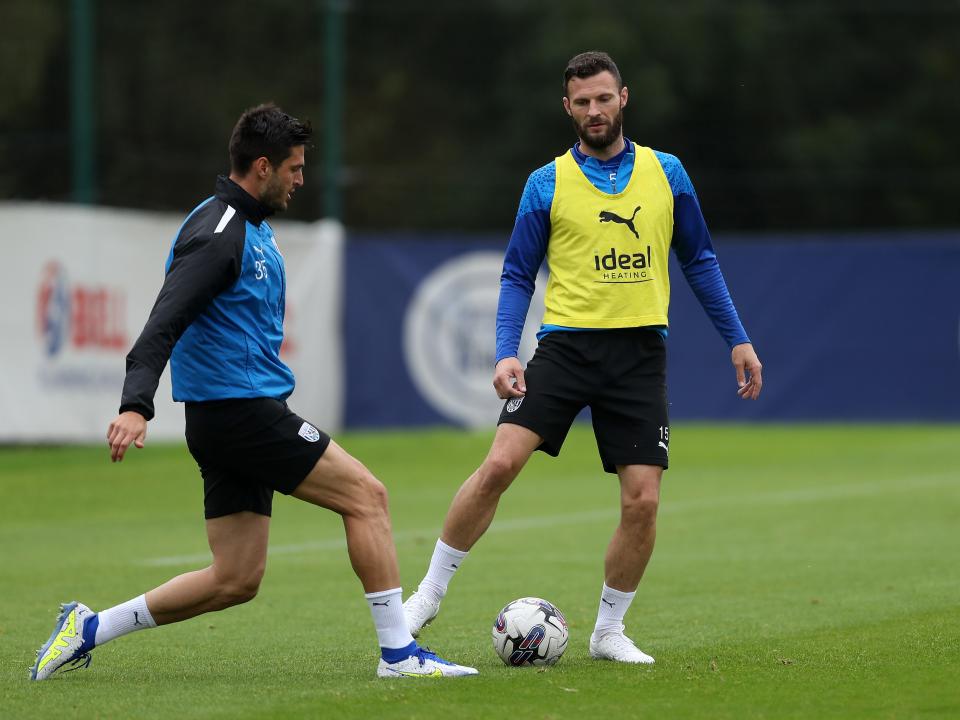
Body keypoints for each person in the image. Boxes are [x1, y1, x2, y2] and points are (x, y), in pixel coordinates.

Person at [31, 104, 477, 681]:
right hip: (239, 414)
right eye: (293, 168)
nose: (300, 178)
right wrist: (135, 404)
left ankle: (90, 628)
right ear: (261, 167)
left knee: (236, 578)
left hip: (226, 419)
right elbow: (162, 322)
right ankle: (399, 653)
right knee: (367, 496)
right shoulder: (218, 234)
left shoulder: (249, 228)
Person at [403, 52, 763, 664]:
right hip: (565, 349)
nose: (593, 111)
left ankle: (607, 632)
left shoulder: (667, 172)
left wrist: (738, 337)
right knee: (497, 467)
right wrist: (503, 353)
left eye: (603, 98)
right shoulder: (545, 182)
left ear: (624, 98)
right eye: (581, 102)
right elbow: (518, 273)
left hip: (639, 354)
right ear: (566, 107)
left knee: (643, 501)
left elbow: (699, 260)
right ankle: (427, 596)